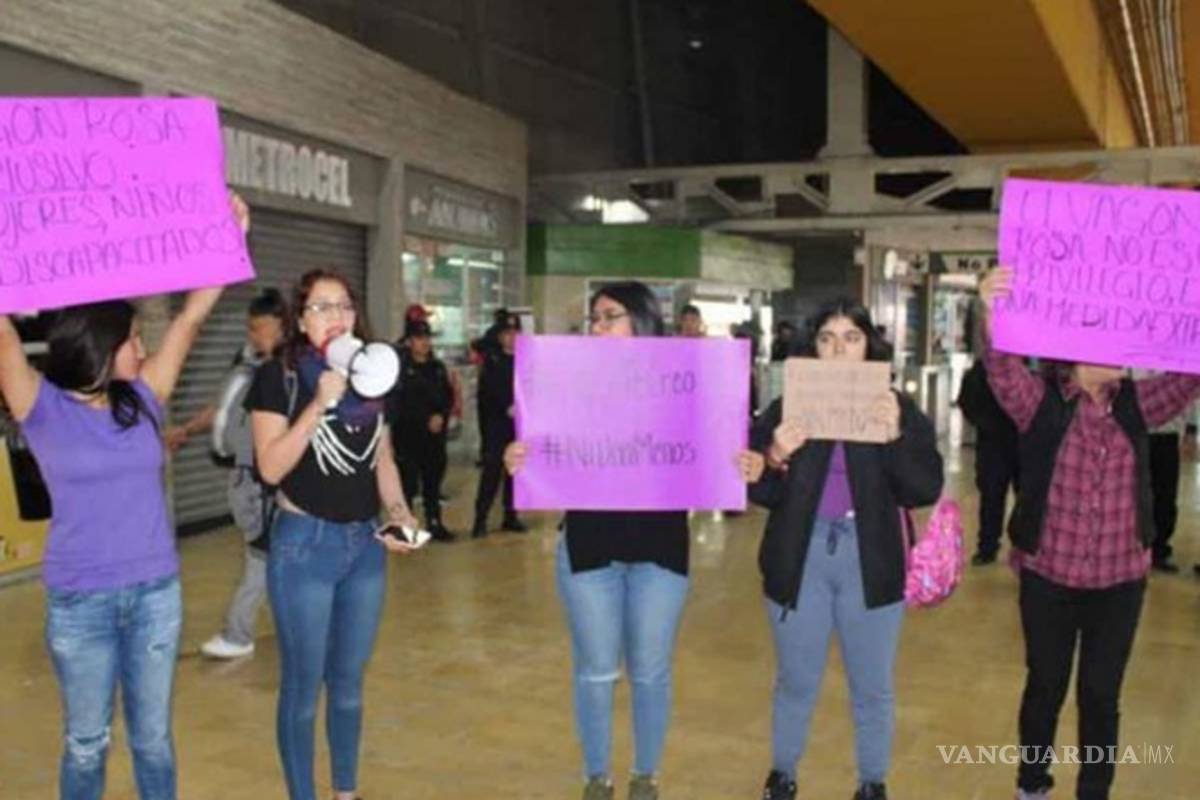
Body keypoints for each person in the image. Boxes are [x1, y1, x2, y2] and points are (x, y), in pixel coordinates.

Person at [0, 194, 249, 800]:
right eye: (135, 340)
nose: (143, 349)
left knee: (153, 739)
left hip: (155, 597)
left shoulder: (143, 399)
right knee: (86, 742)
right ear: (102, 344)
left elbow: (192, 316)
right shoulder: (41, 406)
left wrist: (228, 235)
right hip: (80, 604)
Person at [504, 281, 765, 800]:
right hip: (588, 549)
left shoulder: (684, 385)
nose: (597, 327)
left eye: (610, 316)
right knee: (597, 671)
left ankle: (646, 775)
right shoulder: (567, 386)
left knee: (649, 671)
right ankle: (596, 776)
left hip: (660, 553)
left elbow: (714, 452)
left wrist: (745, 464)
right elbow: (545, 451)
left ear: (642, 322)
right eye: (593, 319)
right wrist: (521, 459)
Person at [979, 268, 1200, 800]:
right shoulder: (1043, 404)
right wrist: (993, 312)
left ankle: (1093, 791)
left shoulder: (1138, 405)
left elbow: (1189, 375)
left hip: (1119, 582)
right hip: (1048, 578)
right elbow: (1002, 369)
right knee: (1045, 687)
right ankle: (1032, 785)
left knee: (1101, 695)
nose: (1123, 349)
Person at [749, 298, 944, 800]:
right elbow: (757, 489)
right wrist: (773, 455)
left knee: (872, 685)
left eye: (851, 339)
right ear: (812, 347)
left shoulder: (897, 407)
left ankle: (872, 780)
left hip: (870, 558)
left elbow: (923, 488)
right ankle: (782, 772)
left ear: (869, 347)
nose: (839, 350)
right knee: (796, 678)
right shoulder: (786, 407)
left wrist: (897, 436)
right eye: (827, 339)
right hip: (801, 556)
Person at [247, 268, 421, 800]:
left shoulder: (373, 376)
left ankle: (346, 791)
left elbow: (382, 457)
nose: (335, 317)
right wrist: (318, 404)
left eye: (343, 306)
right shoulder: (281, 377)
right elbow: (272, 467)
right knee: (303, 688)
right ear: (300, 319)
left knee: (347, 685)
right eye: (321, 307)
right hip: (305, 546)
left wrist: (398, 511)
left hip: (362, 546)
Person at [164, 288, 288, 660]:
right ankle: (295, 622)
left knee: (261, 555)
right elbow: (221, 408)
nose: (253, 335)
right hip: (242, 479)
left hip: (265, 481)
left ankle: (238, 632)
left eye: (259, 328)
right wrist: (184, 430)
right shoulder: (246, 361)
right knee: (269, 555)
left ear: (282, 327)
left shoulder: (285, 373)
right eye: (250, 328)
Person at [389, 318, 456, 541]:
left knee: (433, 483)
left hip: (434, 438)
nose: (425, 343)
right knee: (407, 485)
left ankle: (434, 522)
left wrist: (441, 416)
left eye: (427, 338)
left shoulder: (437, 368)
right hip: (408, 436)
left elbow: (447, 396)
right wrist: (424, 418)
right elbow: (400, 403)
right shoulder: (400, 369)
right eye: (419, 338)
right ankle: (404, 528)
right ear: (409, 341)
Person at [956, 356, 1019, 565]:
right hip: (994, 443)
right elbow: (966, 401)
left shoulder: (1029, 368)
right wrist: (986, 424)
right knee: (992, 496)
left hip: (1024, 443)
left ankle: (1020, 548)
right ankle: (988, 546)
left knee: (1027, 499)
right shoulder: (983, 369)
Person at [472, 312, 525, 538]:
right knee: (491, 474)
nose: (511, 338)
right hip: (496, 426)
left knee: (516, 473)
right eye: (507, 334)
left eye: (515, 333)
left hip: (520, 426)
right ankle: (480, 519)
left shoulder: (527, 360)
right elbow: (486, 394)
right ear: (500, 336)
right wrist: (506, 407)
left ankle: (510, 516)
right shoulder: (492, 361)